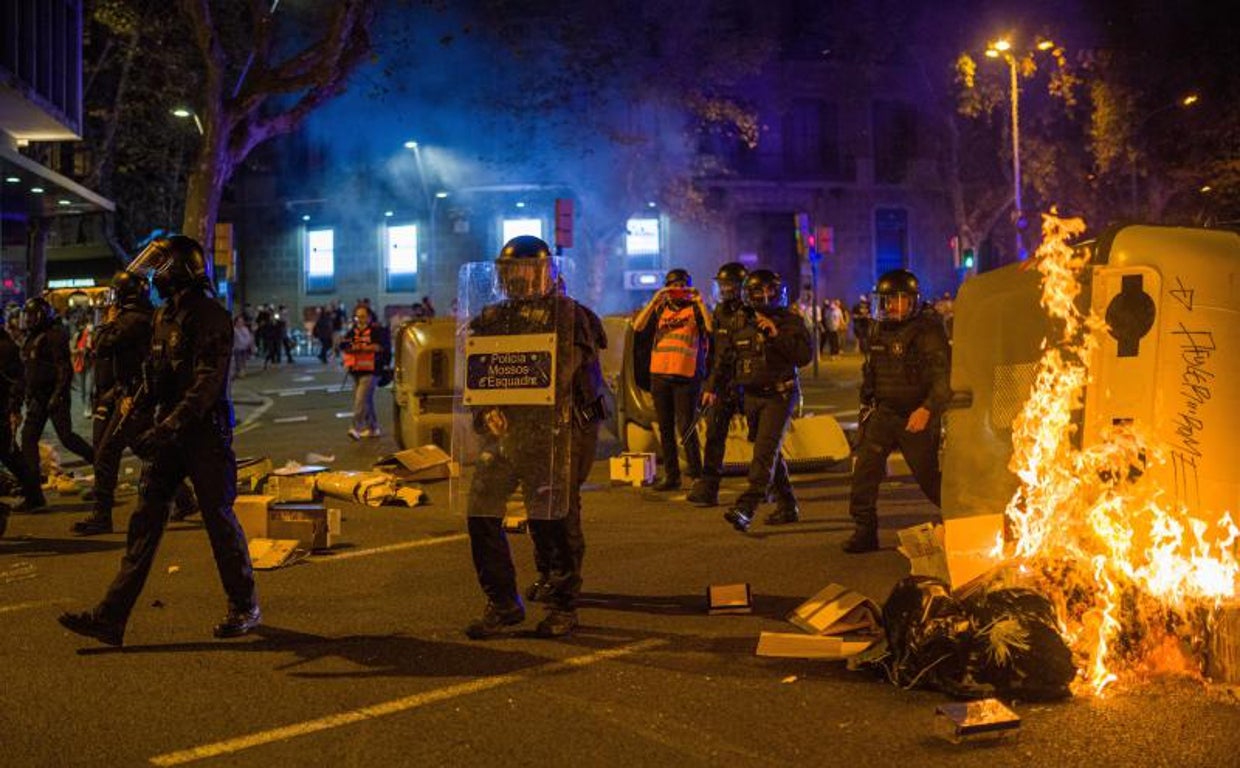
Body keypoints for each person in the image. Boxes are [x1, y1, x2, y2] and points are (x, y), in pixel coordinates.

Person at [58, 235, 260, 646]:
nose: (153, 275)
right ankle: (110, 618)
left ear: (181, 269)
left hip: (204, 435)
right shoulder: (163, 316)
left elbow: (206, 386)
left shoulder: (210, 317)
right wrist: (138, 412)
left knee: (219, 521)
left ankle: (244, 605)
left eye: (161, 265)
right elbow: (155, 375)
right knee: (143, 525)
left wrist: (165, 427)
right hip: (169, 434)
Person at [462, 235, 607, 640]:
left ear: (547, 272)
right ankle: (503, 602)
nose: (519, 279)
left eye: (528, 270)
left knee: (554, 516)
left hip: (560, 432)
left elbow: (558, 376)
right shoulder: (493, 319)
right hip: (507, 435)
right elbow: (479, 375)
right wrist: (485, 410)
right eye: (511, 271)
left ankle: (563, 603)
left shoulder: (571, 317)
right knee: (481, 512)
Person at [70, 270, 198, 536]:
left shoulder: (132, 320)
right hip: (124, 393)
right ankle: (185, 499)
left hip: (134, 395)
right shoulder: (144, 316)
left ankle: (101, 516)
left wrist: (107, 321)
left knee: (108, 453)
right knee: (143, 447)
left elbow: (102, 345)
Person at [844, 268, 951, 553]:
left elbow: (944, 379)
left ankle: (966, 520)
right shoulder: (880, 328)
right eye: (886, 300)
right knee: (864, 473)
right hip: (884, 413)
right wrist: (867, 405)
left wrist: (928, 409)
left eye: (896, 300)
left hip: (915, 416)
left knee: (930, 480)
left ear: (911, 301)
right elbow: (873, 372)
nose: (890, 306)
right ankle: (864, 532)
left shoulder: (928, 330)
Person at [715, 269, 813, 533]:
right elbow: (726, 358)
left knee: (764, 453)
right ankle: (788, 505)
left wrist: (775, 334)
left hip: (780, 394)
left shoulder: (790, 321)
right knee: (770, 451)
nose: (766, 296)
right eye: (759, 292)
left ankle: (747, 507)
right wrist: (715, 388)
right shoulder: (740, 322)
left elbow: (804, 356)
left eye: (771, 291)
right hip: (752, 395)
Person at [632, 268, 711, 491]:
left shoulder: (695, 309)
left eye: (682, 285)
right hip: (660, 375)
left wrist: (701, 302)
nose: (678, 289)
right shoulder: (659, 309)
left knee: (686, 426)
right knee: (665, 428)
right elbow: (638, 326)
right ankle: (672, 476)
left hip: (687, 377)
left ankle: (697, 474)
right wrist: (656, 298)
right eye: (673, 285)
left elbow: (711, 329)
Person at [689, 262, 749, 507]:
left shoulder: (752, 312)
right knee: (714, 436)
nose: (724, 290)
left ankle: (770, 487)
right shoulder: (721, 313)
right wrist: (709, 386)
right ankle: (709, 488)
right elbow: (715, 353)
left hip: (747, 382)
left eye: (729, 285)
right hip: (722, 384)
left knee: (762, 440)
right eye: (722, 285)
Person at [20, 296, 95, 479]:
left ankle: (99, 463)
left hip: (54, 395)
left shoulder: (55, 335)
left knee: (67, 437)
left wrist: (57, 395)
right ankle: (33, 488)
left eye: (32, 315)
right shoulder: (32, 336)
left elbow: (64, 368)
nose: (28, 320)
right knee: (28, 438)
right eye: (27, 315)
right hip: (38, 397)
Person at [0, 319, 47, 530]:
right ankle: (34, 496)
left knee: (12, 456)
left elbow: (17, 380)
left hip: (1, 410)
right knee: (12, 457)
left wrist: (14, 409)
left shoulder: (5, 348)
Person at [341, 303, 389, 439]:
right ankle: (373, 428)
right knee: (367, 401)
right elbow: (344, 344)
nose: (360, 319)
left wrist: (366, 347)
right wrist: (350, 346)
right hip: (356, 371)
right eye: (357, 317)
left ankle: (355, 428)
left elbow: (381, 347)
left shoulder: (377, 331)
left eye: (362, 316)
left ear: (369, 317)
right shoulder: (353, 331)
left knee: (360, 400)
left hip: (372, 371)